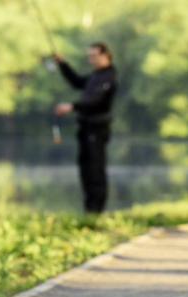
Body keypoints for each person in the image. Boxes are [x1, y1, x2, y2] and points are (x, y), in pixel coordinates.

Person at [53, 42, 117, 214]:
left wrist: (72, 106)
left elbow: (94, 100)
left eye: (95, 56)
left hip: (98, 129)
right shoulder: (94, 77)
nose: (92, 60)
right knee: (85, 168)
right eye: (90, 56)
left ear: (106, 55)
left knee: (96, 169)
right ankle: (89, 209)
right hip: (85, 128)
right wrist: (63, 64)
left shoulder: (108, 77)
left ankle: (97, 209)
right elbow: (77, 82)